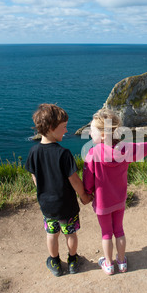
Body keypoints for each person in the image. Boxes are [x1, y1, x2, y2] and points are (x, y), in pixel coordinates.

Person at [83, 109, 147, 275]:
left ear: (103, 135)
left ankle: (108, 264)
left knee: (106, 233)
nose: (89, 132)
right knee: (119, 230)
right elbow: (142, 147)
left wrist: (87, 193)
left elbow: (88, 178)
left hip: (103, 202)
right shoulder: (126, 149)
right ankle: (122, 262)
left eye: (93, 130)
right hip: (119, 200)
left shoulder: (93, 153)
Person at [25, 104, 92, 277]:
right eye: (63, 127)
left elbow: (34, 177)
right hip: (67, 206)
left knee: (51, 234)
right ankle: (72, 261)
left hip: (47, 206)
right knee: (70, 234)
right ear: (51, 128)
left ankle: (54, 262)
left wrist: (43, 191)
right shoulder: (64, 154)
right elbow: (75, 180)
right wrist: (84, 195)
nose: (66, 130)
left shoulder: (33, 152)